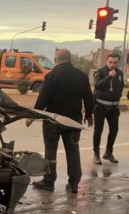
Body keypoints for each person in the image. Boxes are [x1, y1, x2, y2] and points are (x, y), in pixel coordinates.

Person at [28, 49, 93, 194]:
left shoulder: (51, 76)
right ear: (70, 59)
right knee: (73, 152)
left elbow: (43, 98)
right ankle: (74, 184)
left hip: (53, 122)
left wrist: (32, 116)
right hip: (73, 122)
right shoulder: (81, 76)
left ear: (56, 59)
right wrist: (89, 115)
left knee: (50, 151)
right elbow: (89, 98)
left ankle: (49, 181)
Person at [92, 52, 125, 165]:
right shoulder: (100, 72)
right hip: (100, 105)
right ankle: (96, 154)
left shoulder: (120, 73)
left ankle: (108, 152)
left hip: (114, 106)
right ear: (107, 61)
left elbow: (121, 87)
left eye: (115, 63)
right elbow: (97, 85)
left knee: (114, 130)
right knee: (98, 130)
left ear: (118, 62)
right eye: (110, 62)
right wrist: (109, 76)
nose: (112, 64)